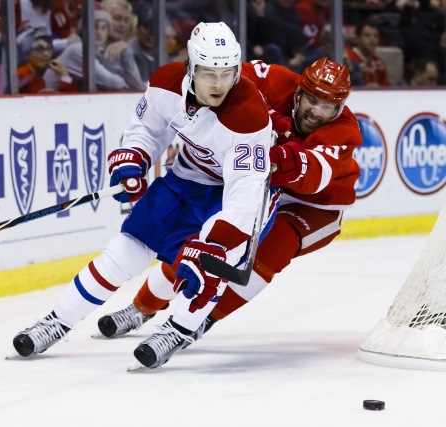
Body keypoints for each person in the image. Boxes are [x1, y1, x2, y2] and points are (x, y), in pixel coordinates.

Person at [12, 22, 274, 365]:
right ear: (191, 67)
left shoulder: (248, 115)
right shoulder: (166, 83)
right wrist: (133, 160)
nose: (219, 83)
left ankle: (177, 329)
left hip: (227, 199)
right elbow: (147, 131)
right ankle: (56, 321)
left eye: (227, 73)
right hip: (182, 180)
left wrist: (220, 242)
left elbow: (245, 192)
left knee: (207, 268)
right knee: (123, 253)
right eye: (209, 73)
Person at [97, 57, 362, 369]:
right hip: (264, 184)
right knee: (204, 240)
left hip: (315, 206)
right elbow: (228, 80)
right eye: (313, 101)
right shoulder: (274, 79)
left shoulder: (345, 131)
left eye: (328, 108)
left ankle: (198, 321)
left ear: (340, 108)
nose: (317, 113)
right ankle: (142, 307)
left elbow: (314, 173)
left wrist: (270, 158)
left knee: (270, 252)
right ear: (300, 92)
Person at [345, 20, 391, 86]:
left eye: (375, 36)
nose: (372, 39)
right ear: (358, 38)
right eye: (367, 35)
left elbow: (387, 89)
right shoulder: (348, 59)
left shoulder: (380, 63)